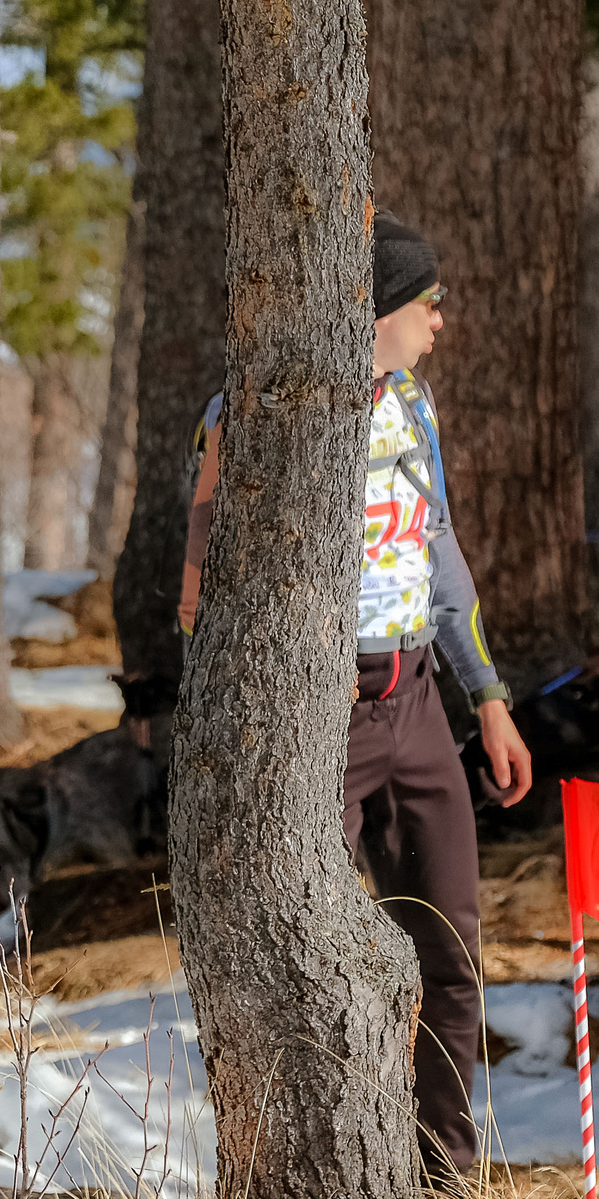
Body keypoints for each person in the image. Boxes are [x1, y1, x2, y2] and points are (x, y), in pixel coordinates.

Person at [180, 208, 533, 1180]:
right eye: (430, 302)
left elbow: (439, 547)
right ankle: (317, 1163)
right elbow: (198, 574)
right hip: (311, 722)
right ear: (381, 308)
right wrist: (264, 682)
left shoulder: (412, 403)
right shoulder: (248, 410)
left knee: (449, 948)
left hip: (414, 696)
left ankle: (440, 1167)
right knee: (313, 957)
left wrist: (487, 698)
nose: (440, 321)